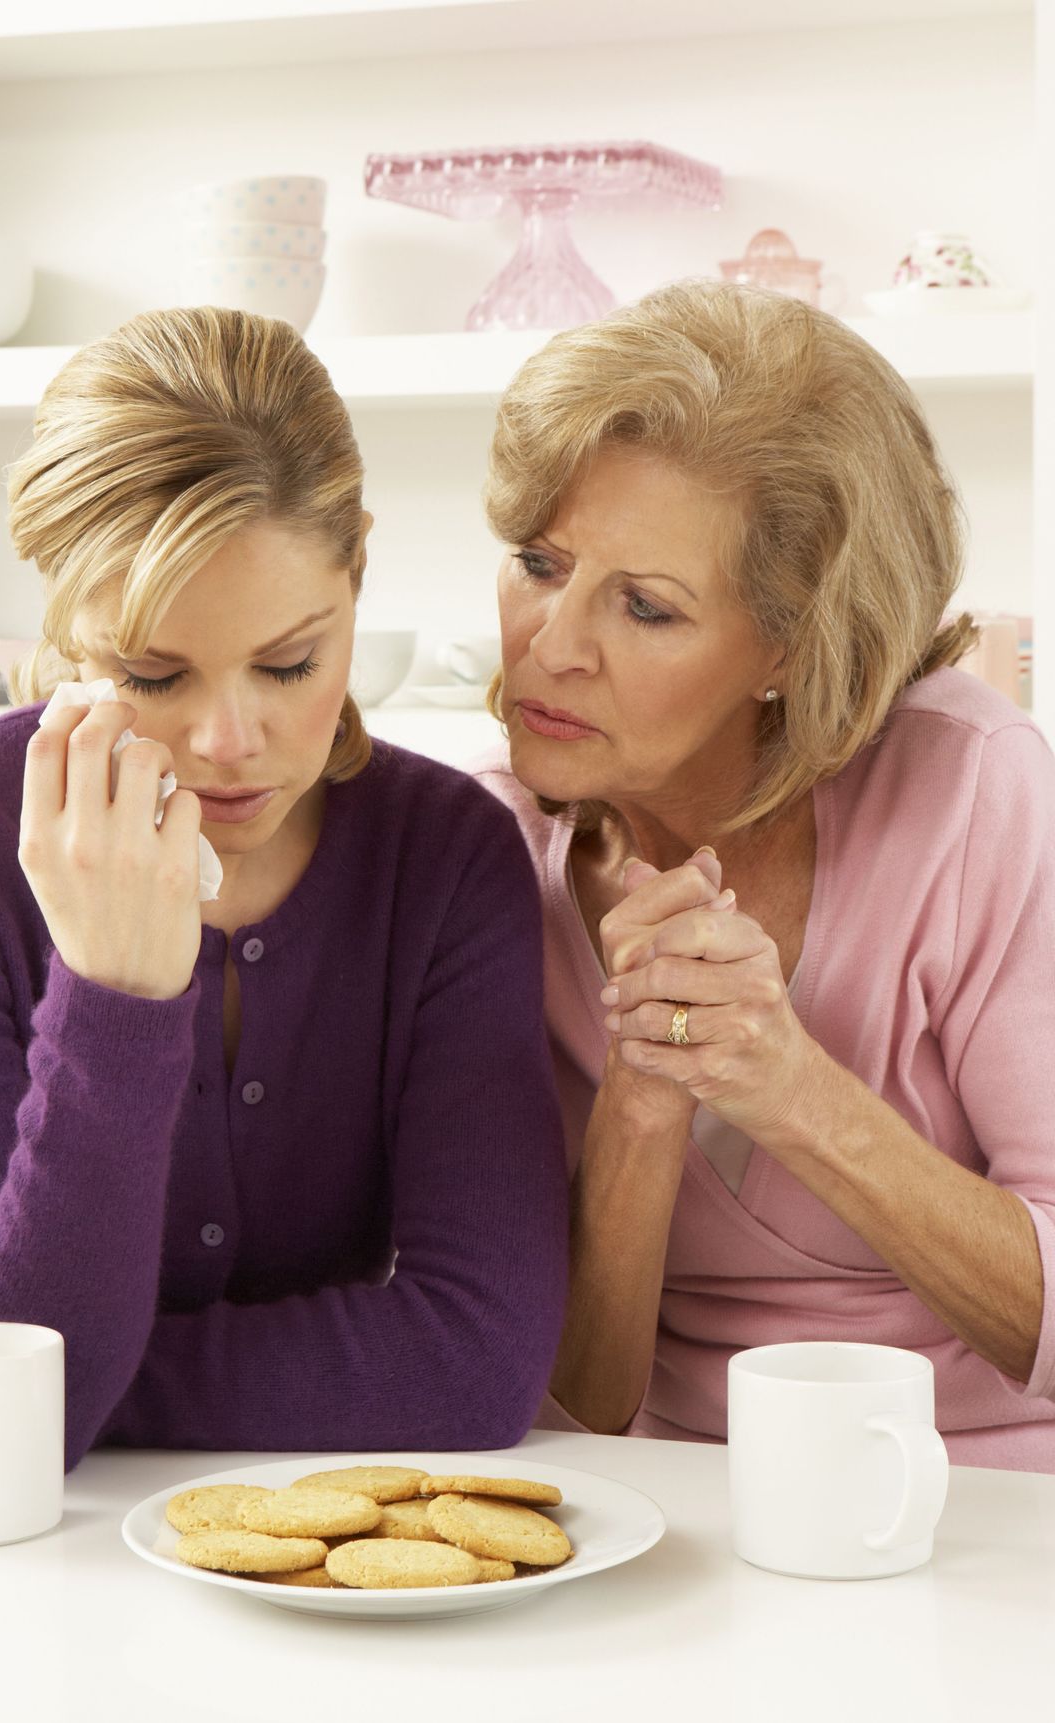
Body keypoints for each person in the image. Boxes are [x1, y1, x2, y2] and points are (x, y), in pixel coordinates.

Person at [0, 306, 568, 1471]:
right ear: (65, 629)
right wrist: (118, 992)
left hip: (265, 1530)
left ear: (357, 570)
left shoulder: (446, 856)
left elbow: (474, 1361)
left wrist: (24, 1378)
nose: (228, 738)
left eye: (290, 661)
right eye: (153, 673)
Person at [472, 279, 1055, 1470]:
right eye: (539, 561)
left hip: (982, 1499)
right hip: (661, 1501)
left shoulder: (971, 787)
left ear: (789, 646)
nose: (552, 642)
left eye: (644, 606)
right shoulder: (478, 845)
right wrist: (644, 1102)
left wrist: (784, 1082)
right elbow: (566, 1406)